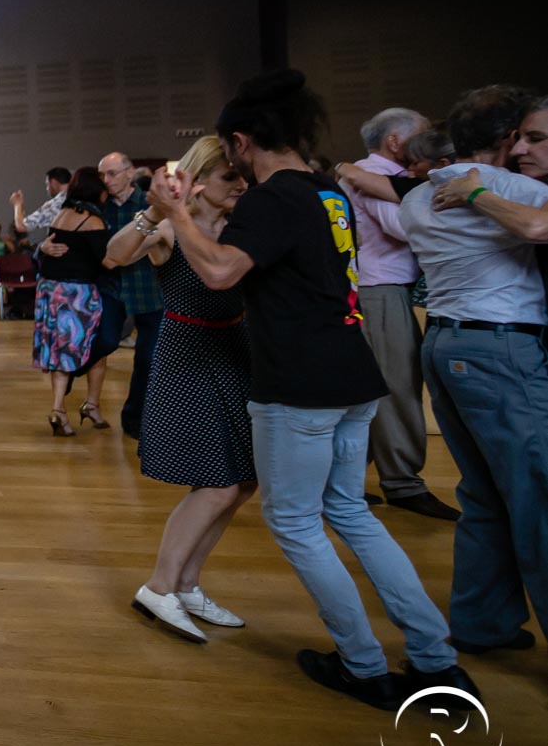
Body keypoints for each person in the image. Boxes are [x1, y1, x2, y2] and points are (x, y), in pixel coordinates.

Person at [147, 69, 476, 710]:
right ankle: (436, 658)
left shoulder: (273, 199)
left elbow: (217, 272)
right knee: (348, 512)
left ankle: (361, 663)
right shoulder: (328, 192)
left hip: (300, 385)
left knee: (295, 522)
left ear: (241, 141)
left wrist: (176, 212)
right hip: (353, 373)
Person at [401, 86, 548, 657]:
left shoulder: (416, 199)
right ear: (508, 138)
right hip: (500, 352)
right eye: (527, 137)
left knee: (483, 496)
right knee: (537, 498)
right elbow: (538, 228)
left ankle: (482, 624)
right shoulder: (519, 190)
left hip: (442, 344)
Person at [106, 137, 256, 642]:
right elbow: (116, 254)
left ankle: (187, 583)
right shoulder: (171, 225)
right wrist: (154, 212)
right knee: (217, 482)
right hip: (188, 351)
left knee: (242, 480)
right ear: (198, 179)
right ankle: (160, 585)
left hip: (236, 349)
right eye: (227, 177)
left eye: (240, 175)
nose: (239, 184)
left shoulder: (244, 225)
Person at [339, 108, 462, 520]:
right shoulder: (372, 173)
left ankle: (357, 480)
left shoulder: (369, 173)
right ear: (395, 141)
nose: (425, 144)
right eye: (420, 135)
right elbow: (404, 227)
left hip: (382, 290)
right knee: (397, 386)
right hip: (380, 290)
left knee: (383, 388)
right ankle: (403, 484)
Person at [32, 167, 109, 436]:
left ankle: (58, 409)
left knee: (58, 352)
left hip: (49, 290)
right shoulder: (92, 220)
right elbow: (108, 261)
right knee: (89, 349)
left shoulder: (63, 214)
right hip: (77, 294)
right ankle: (84, 405)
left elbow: (47, 250)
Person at [97, 152, 164, 439]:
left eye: (112, 173)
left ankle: (136, 417)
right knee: (104, 342)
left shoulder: (149, 204)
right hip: (112, 290)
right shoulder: (100, 208)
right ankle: (90, 403)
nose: (106, 180)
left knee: (148, 359)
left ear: (129, 173)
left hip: (150, 289)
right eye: (103, 175)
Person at [12, 167, 72, 239]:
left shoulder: (54, 204)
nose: (47, 188)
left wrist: (17, 205)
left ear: (53, 182)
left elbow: (22, 226)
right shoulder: (82, 200)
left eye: (47, 184)